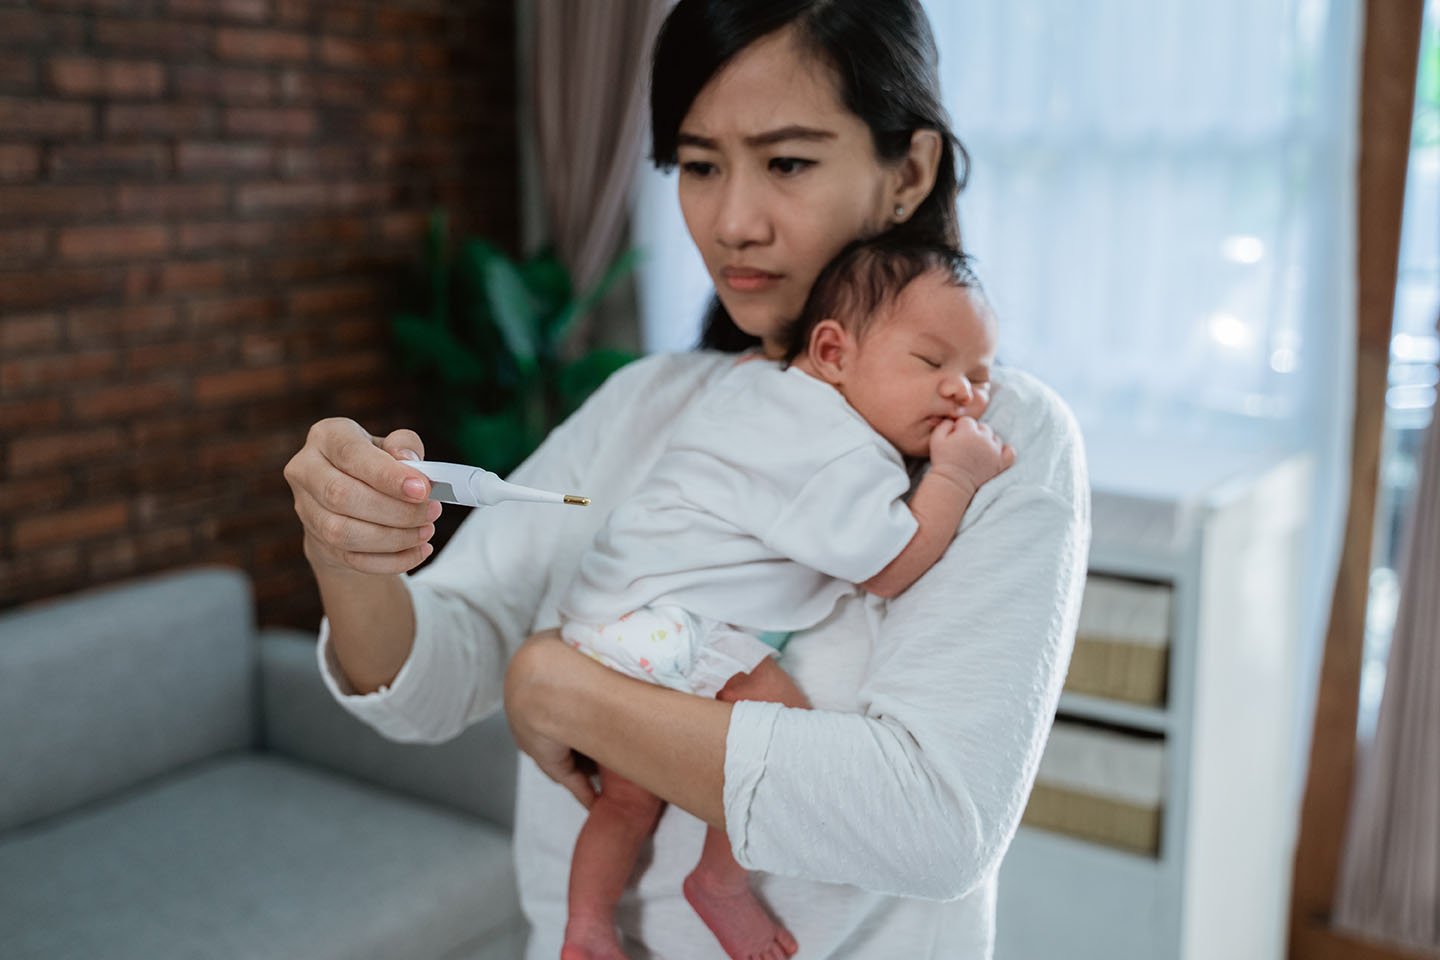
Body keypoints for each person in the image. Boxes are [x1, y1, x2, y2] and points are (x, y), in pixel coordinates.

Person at [282, 2, 1090, 957]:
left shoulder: (992, 437)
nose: (732, 221)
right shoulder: (650, 401)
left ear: (908, 172)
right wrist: (348, 550)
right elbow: (427, 684)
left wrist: (560, 689)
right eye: (698, 165)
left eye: (787, 161)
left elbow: (934, 823)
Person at [558, 239, 1014, 960]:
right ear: (831, 353)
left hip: (603, 617)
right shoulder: (839, 448)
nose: (965, 392)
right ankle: (720, 881)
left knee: (627, 801)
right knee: (782, 730)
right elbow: (890, 569)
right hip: (666, 626)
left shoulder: (753, 384)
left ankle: (585, 926)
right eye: (932, 363)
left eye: (981, 378)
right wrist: (954, 477)